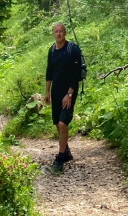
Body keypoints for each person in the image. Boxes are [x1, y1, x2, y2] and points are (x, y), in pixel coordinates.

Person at [45, 21, 82, 171]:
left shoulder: (73, 49)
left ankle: (60, 159)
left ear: (65, 33)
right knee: (56, 122)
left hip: (69, 91)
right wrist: (47, 91)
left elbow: (76, 73)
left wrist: (70, 94)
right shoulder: (52, 50)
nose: (59, 34)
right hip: (56, 91)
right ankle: (66, 151)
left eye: (61, 31)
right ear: (54, 34)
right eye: (56, 31)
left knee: (63, 122)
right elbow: (49, 72)